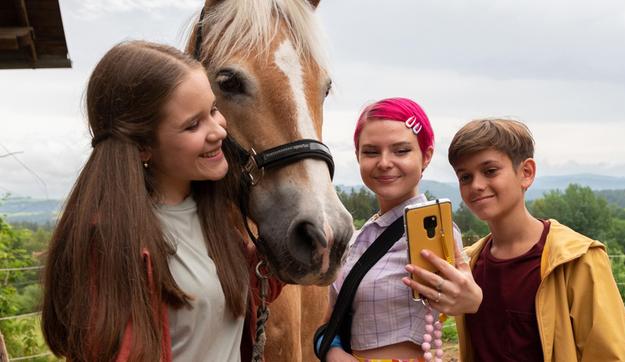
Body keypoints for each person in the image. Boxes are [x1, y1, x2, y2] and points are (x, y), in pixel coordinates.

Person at [41, 40, 280, 362]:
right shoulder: (112, 244)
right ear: (142, 147)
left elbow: (227, 299)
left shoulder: (214, 214)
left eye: (213, 110)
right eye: (193, 124)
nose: (219, 131)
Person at [408, 118, 625, 361]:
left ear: (526, 173)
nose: (477, 185)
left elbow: (608, 354)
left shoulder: (577, 260)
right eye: (465, 177)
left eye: (490, 171)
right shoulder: (469, 263)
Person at [318, 98, 482, 362]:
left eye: (401, 150)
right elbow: (329, 323)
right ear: (358, 156)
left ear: (426, 157)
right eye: (371, 152)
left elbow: (464, 296)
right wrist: (332, 352)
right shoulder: (359, 239)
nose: (384, 162)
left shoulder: (438, 233)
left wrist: (472, 299)